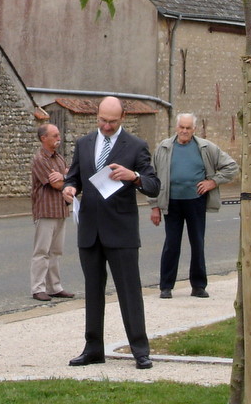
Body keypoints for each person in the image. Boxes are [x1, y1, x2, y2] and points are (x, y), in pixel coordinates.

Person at [62, 96, 160, 370]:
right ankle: (93, 348)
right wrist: (69, 188)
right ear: (97, 116)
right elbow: (74, 176)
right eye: (102, 121)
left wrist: (134, 177)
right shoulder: (84, 143)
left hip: (121, 231)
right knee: (93, 291)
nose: (106, 126)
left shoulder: (136, 145)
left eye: (112, 122)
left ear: (123, 118)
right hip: (90, 229)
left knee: (129, 292)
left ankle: (140, 350)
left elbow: (153, 185)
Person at [149, 112, 239, 299]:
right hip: (171, 203)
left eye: (188, 128)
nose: (184, 131)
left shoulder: (206, 147)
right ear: (176, 127)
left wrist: (213, 182)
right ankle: (166, 287)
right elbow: (153, 178)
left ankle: (198, 286)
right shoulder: (164, 147)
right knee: (171, 244)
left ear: (194, 129)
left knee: (197, 243)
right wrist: (154, 206)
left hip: (195, 202)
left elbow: (231, 166)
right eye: (181, 127)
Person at [30, 123, 74, 301]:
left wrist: (64, 176)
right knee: (42, 251)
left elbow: (69, 178)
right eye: (54, 136)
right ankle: (38, 288)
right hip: (46, 210)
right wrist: (66, 178)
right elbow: (56, 184)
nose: (58, 138)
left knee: (56, 251)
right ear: (44, 138)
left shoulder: (59, 158)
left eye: (58, 135)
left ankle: (54, 287)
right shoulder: (40, 159)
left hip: (61, 209)